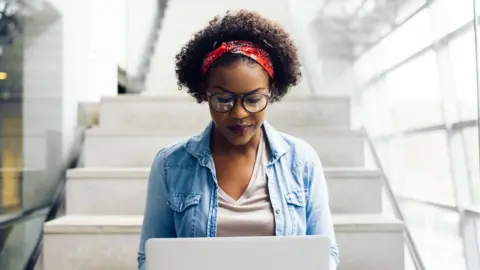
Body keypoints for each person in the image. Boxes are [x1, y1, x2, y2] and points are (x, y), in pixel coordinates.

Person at [137, 9, 339, 270]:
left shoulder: (301, 160)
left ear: (272, 92)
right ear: (204, 93)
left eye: (253, 99)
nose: (239, 113)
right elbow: (149, 259)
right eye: (223, 99)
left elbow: (327, 254)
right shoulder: (170, 164)